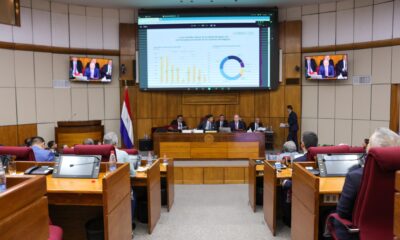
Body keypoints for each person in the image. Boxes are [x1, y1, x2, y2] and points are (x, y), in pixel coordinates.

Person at [333, 128, 400, 239]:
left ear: (372, 150)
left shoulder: (355, 177)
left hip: (363, 234)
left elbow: (343, 212)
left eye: (369, 143)